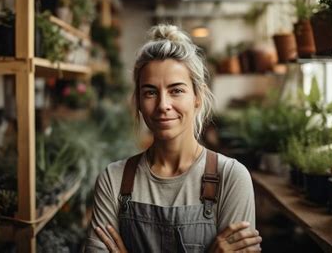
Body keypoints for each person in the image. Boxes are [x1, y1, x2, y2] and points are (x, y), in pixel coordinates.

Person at [84, 24, 261, 253]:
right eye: (150, 92)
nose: (162, 105)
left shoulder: (231, 178)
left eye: (176, 90)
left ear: (198, 97)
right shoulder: (114, 180)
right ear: (138, 101)